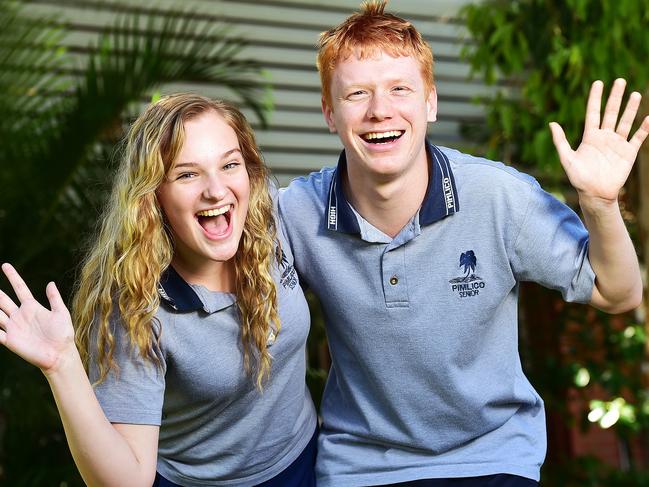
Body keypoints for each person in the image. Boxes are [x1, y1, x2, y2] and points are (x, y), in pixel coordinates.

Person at [277, 1, 649, 486]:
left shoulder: (498, 197)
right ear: (330, 112)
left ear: (430, 101)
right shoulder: (297, 212)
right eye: (357, 94)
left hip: (491, 456)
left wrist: (600, 206)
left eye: (400, 89)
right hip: (360, 465)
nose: (380, 110)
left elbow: (619, 293)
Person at [0, 94, 317, 487]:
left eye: (230, 164)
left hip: (304, 462)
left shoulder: (268, 218)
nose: (216, 190)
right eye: (187, 174)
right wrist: (62, 365)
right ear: (153, 197)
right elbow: (127, 479)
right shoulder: (134, 305)